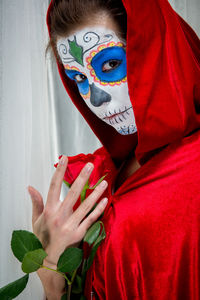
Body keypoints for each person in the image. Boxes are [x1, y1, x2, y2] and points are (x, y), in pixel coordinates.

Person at [28, 0, 200, 299]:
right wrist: (53, 274)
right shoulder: (101, 173)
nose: (95, 99)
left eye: (110, 64)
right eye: (79, 78)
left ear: (155, 50)